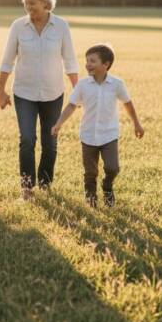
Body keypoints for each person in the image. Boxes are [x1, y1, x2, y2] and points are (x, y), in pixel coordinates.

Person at [0, 0, 79, 200]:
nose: (28, 7)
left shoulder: (61, 26)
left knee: (50, 141)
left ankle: (44, 184)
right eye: (25, 3)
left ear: (45, 2)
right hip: (24, 92)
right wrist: (0, 91)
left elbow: (70, 60)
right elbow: (6, 61)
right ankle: (27, 187)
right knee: (27, 139)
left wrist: (78, 90)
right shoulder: (18, 26)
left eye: (32, 3)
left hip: (53, 93)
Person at [51, 44, 144, 207]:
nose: (88, 64)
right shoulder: (82, 84)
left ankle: (107, 186)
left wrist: (136, 124)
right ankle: (91, 200)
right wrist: (59, 123)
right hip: (88, 136)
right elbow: (72, 105)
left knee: (112, 167)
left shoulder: (116, 84)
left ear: (105, 64)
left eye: (92, 61)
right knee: (90, 172)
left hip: (109, 135)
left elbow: (127, 103)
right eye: (86, 61)